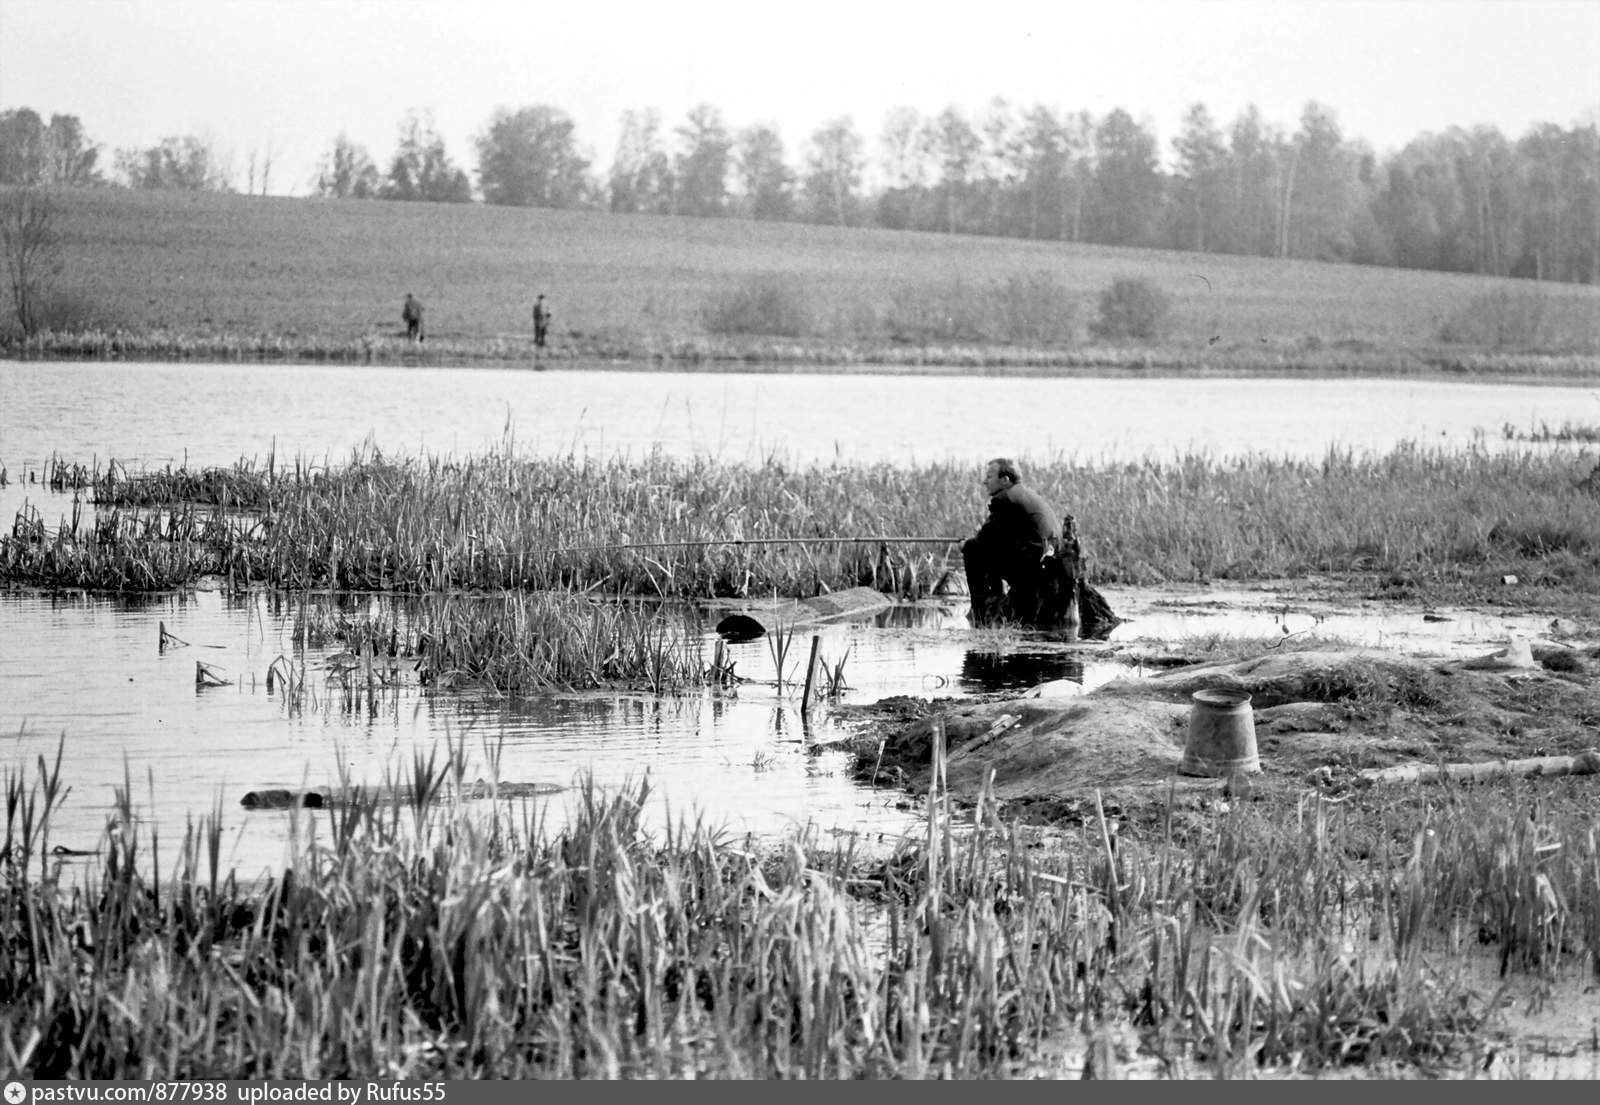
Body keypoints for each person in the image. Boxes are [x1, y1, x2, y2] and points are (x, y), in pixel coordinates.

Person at [962, 457, 1062, 626]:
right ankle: (995, 600)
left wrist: (964, 544)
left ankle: (980, 611)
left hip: (1033, 566)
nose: (984, 481)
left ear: (1005, 480)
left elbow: (984, 539)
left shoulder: (1004, 499)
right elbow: (995, 536)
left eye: (989, 477)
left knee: (972, 548)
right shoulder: (1023, 493)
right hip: (1045, 560)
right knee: (990, 546)